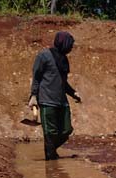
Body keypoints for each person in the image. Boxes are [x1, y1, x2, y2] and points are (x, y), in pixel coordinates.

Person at [28, 31, 82, 161]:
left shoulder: (64, 59)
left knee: (66, 130)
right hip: (47, 100)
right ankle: (51, 166)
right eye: (70, 45)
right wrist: (33, 96)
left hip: (61, 101)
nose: (71, 48)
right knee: (50, 134)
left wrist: (73, 93)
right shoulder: (44, 56)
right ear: (63, 43)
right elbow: (36, 77)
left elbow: (63, 82)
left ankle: (51, 151)